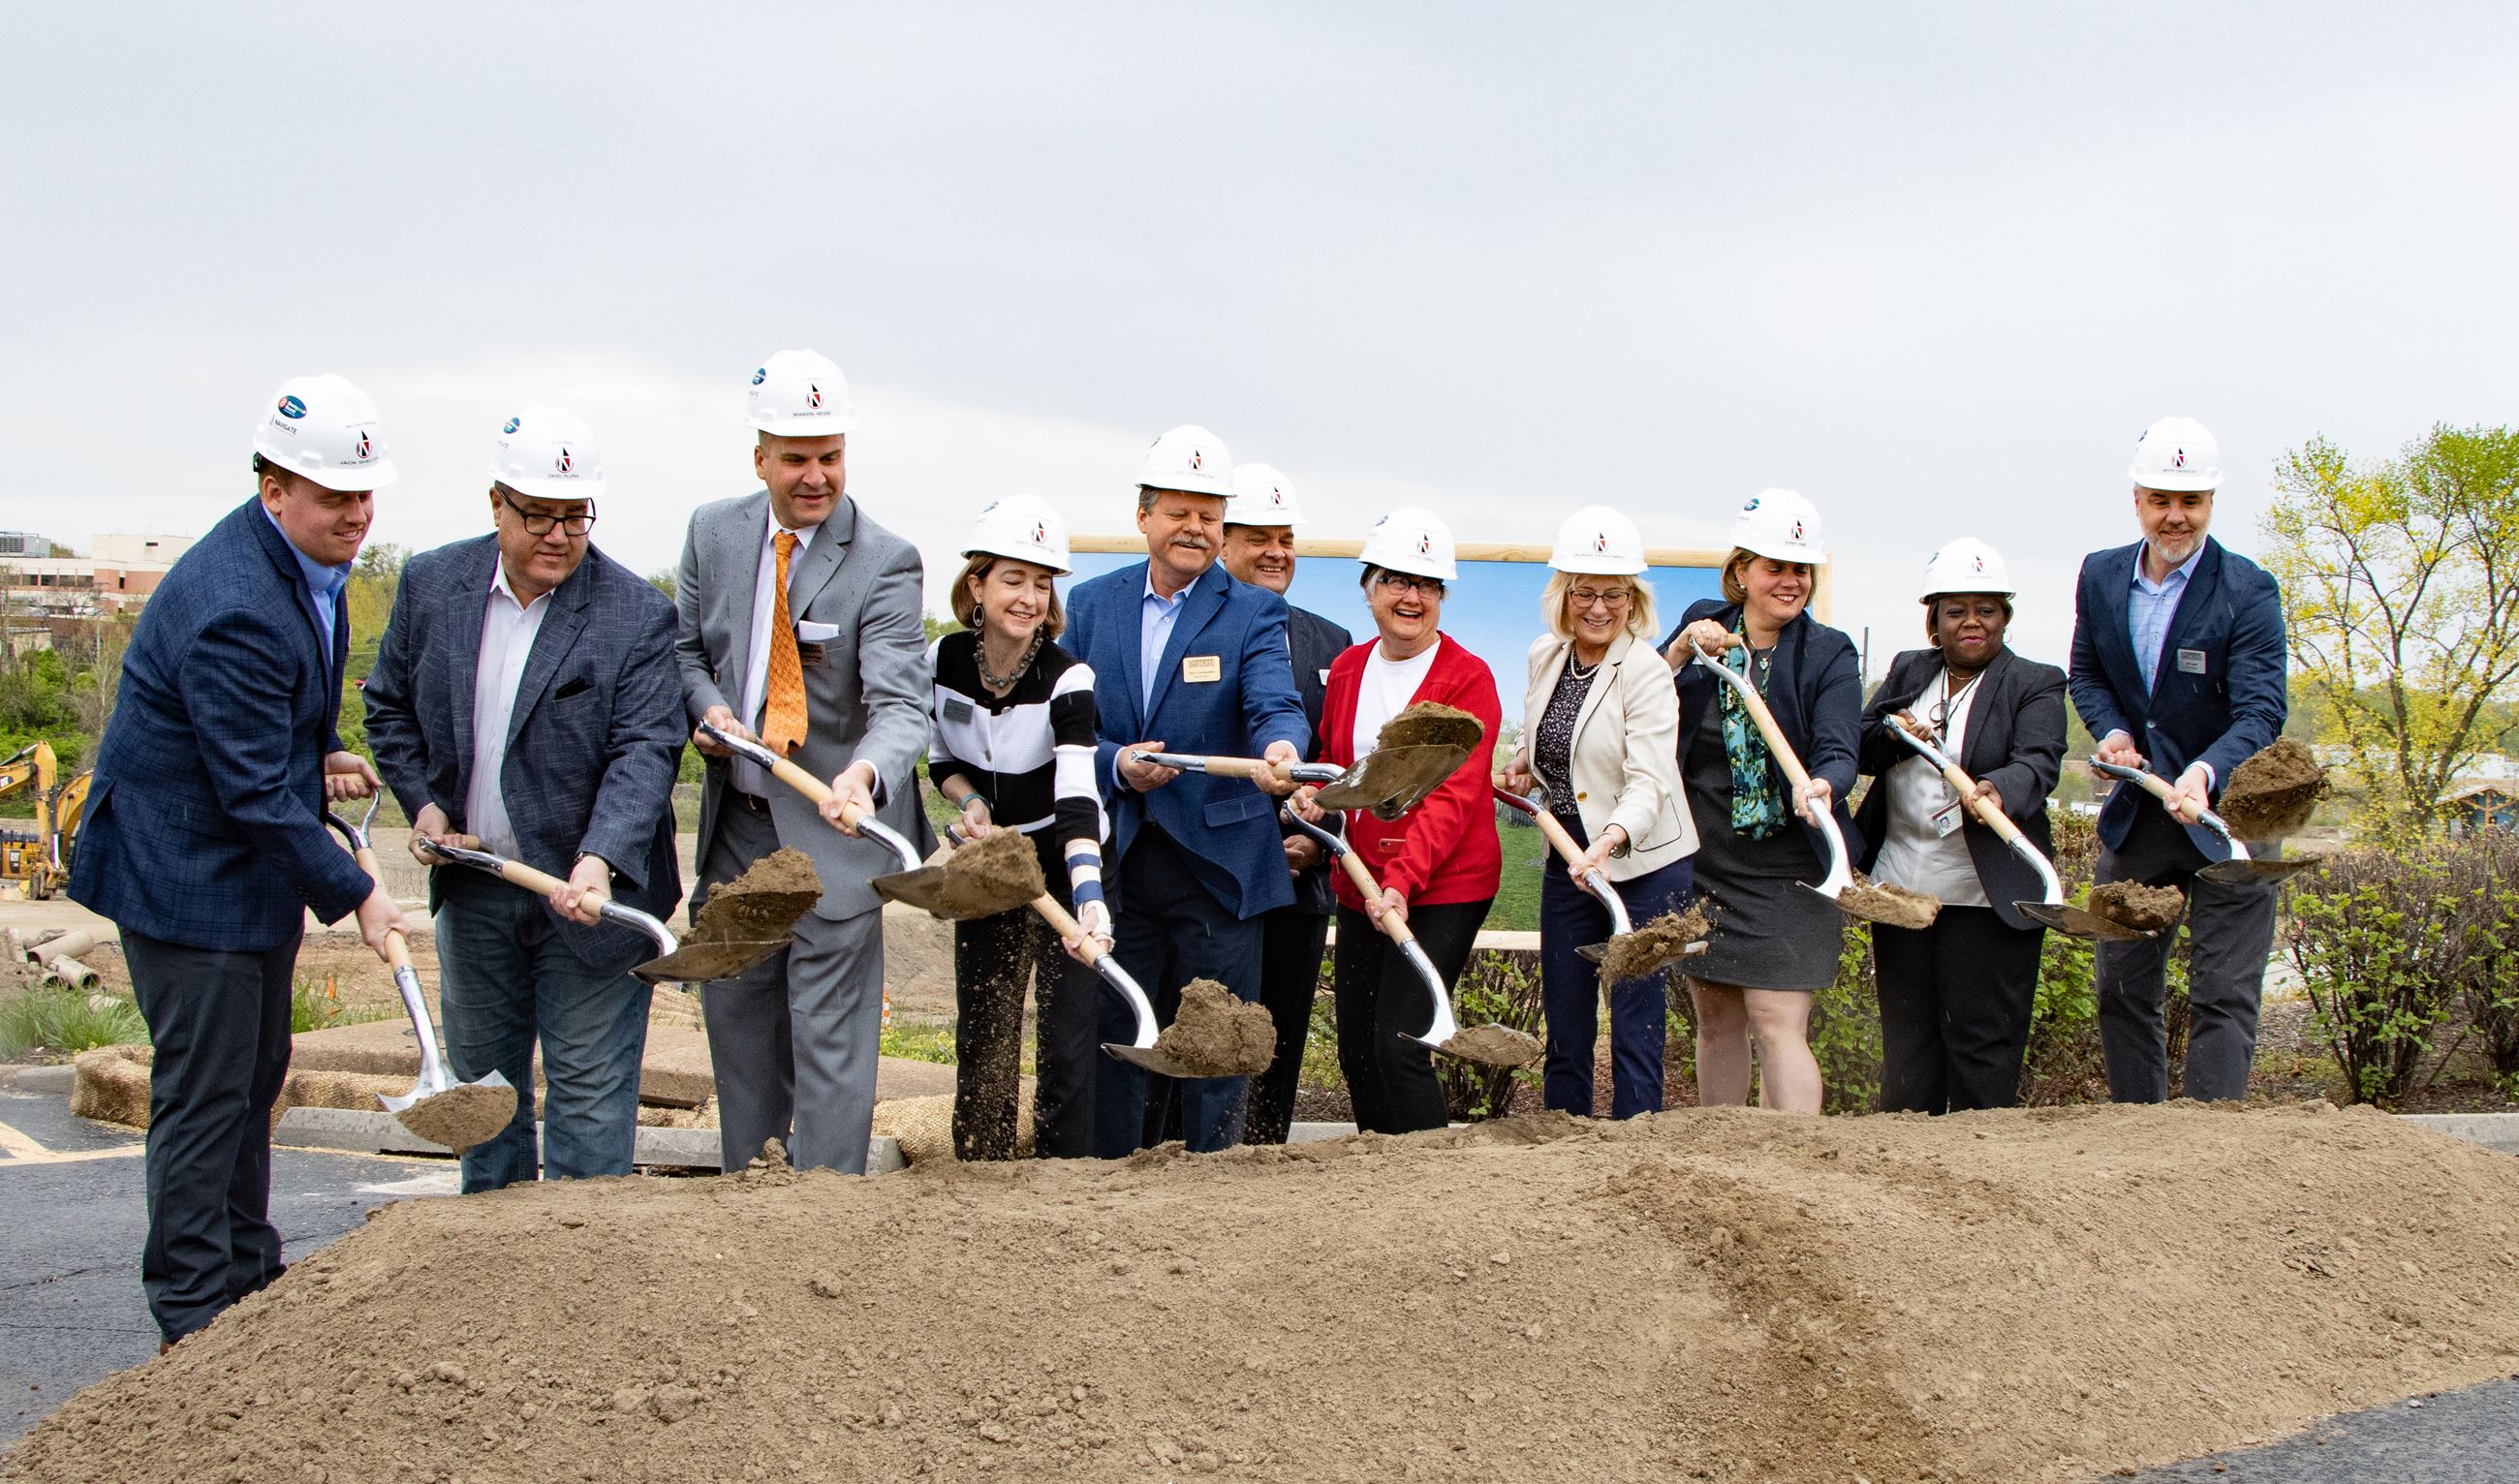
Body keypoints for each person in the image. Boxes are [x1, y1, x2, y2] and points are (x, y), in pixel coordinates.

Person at [69, 375, 405, 1350]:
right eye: (334, 494)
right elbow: (252, 791)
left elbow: (263, 741)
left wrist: (317, 750)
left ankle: (251, 1283)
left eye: (363, 492)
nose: (355, 511)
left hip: (239, 857)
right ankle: (192, 1314)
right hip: (181, 871)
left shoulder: (308, 565)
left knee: (257, 1072)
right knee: (207, 1090)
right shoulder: (237, 604)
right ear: (274, 488)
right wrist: (362, 895)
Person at [361, 406, 686, 1190]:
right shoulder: (434, 585)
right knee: (484, 1103)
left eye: (575, 516)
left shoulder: (635, 615)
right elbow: (389, 706)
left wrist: (600, 857)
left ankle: (580, 1284)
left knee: (586, 1104)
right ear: (496, 504)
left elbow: (644, 751)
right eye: (538, 515)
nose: (558, 535)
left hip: (590, 902)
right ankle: (493, 1281)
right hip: (475, 889)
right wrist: (427, 805)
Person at [673, 349, 933, 1174]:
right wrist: (705, 707)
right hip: (738, 834)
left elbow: (900, 707)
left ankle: (828, 1218)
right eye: (797, 458)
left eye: (830, 456)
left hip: (834, 838)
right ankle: (751, 1208)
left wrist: (864, 775)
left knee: (829, 1054)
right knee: (741, 1033)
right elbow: (686, 651)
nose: (816, 476)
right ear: (761, 458)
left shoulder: (885, 560)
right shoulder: (713, 533)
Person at [1062, 425, 1309, 1157]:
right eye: (1180, 511)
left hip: (1221, 863)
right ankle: (1115, 1180)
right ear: (1144, 516)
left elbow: (1273, 701)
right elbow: (1070, 728)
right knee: (1123, 1032)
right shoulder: (1091, 606)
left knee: (1218, 1043)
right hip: (1124, 860)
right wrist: (1114, 763)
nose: (1196, 528)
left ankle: (1215, 1187)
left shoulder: (1253, 612)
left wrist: (1281, 749)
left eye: (1210, 515)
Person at [2068, 417, 2287, 1102]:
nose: (2175, 516)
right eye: (2161, 499)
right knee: (2123, 989)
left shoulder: (2247, 590)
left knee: (2223, 990)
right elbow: (2087, 673)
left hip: (2229, 820)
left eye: (2190, 501)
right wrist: (2111, 733)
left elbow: (2261, 711)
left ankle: (2213, 1150)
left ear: (2211, 503)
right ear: (2138, 499)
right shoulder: (2101, 576)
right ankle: (2144, 1136)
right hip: (2142, 817)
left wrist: (2203, 772)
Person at [1301, 508, 1502, 1135]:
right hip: (1364, 883)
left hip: (1443, 885)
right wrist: (1315, 804)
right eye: (1395, 580)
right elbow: (1341, 768)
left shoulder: (1467, 679)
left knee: (1401, 1047)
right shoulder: (1351, 670)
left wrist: (1404, 881)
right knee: (1358, 1050)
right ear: (1369, 588)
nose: (1410, 596)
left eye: (1426, 584)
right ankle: (1378, 1183)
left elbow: (1453, 797)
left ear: (1440, 596)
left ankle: (1430, 1192)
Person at [924, 495, 1112, 1160]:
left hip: (1065, 859)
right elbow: (940, 759)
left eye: (1041, 583)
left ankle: (1064, 1176)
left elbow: (1076, 795)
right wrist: (970, 799)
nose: (1029, 597)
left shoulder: (1069, 678)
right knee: (985, 1026)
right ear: (976, 584)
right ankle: (981, 1166)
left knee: (1066, 1038)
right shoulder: (942, 662)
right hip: (992, 864)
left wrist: (1088, 900)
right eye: (1013, 579)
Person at [1662, 489, 1860, 1115]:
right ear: (1741, 570)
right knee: (1716, 1017)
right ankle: (1724, 1155)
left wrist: (1823, 785)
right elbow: (1641, 701)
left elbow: (1838, 748)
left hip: (1790, 868)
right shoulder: (1703, 623)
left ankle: (1795, 1164)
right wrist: (1676, 652)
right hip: (1705, 857)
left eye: (1801, 569)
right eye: (1775, 566)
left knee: (1777, 1018)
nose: (1790, 581)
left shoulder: (1828, 650)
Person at [1497, 505, 1696, 1120]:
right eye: (1586, 593)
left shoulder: (1646, 672)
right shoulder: (1545, 656)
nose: (1600, 608)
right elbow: (1558, 738)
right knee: (1567, 1008)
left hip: (1641, 863)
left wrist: (1609, 841)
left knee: (1635, 1017)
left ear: (1633, 598)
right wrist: (1523, 760)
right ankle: (1565, 1137)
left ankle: (1637, 1147)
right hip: (1568, 854)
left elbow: (1650, 779)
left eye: (1615, 594)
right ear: (1565, 594)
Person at [1853, 539, 2066, 1113]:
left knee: (1982, 1042)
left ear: (2005, 618)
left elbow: (2039, 759)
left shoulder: (2035, 682)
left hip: (1986, 892)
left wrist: (1998, 789)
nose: (1972, 622)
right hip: (1904, 888)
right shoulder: (1908, 670)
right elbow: (1862, 747)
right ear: (1935, 622)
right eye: (1956, 611)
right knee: (1909, 1041)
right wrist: (1896, 733)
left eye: (1987, 610)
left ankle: (1981, 1165)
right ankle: (1907, 1168)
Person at [1217, 462, 1353, 1146]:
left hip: (1301, 874)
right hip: (1213, 878)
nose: (1276, 551)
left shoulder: (1333, 644)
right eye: (1257, 537)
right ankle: (1199, 1156)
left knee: (1280, 1030)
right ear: (1221, 542)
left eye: (1287, 537)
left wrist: (1315, 827)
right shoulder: (1197, 627)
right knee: (1215, 1030)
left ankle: (1267, 1153)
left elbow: (1345, 758)